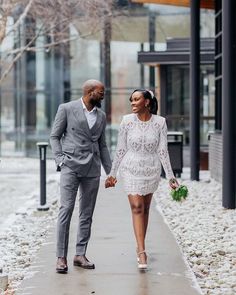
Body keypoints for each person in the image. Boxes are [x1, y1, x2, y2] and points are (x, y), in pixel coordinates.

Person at [105, 89, 178, 270]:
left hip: (151, 169)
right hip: (131, 168)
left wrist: (170, 176)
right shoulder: (127, 121)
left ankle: (140, 244)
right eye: (131, 100)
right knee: (137, 207)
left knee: (145, 208)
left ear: (147, 102)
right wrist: (112, 173)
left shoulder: (160, 123)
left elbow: (163, 151)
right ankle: (142, 251)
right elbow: (121, 148)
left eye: (136, 99)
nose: (133, 103)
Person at [50, 79, 112, 273]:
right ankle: (61, 257)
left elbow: (102, 145)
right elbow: (54, 136)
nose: (103, 95)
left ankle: (79, 254)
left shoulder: (101, 115)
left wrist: (111, 171)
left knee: (87, 213)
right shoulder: (67, 108)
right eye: (101, 92)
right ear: (90, 91)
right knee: (66, 209)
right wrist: (60, 159)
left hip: (92, 169)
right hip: (70, 166)